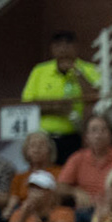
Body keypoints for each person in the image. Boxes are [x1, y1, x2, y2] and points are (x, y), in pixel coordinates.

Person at [22, 31, 102, 164]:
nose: (63, 49)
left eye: (68, 44)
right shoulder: (39, 70)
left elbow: (95, 99)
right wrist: (57, 108)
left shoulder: (90, 69)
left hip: (77, 136)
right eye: (58, 45)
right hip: (45, 138)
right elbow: (28, 104)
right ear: (52, 48)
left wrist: (77, 73)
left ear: (77, 47)